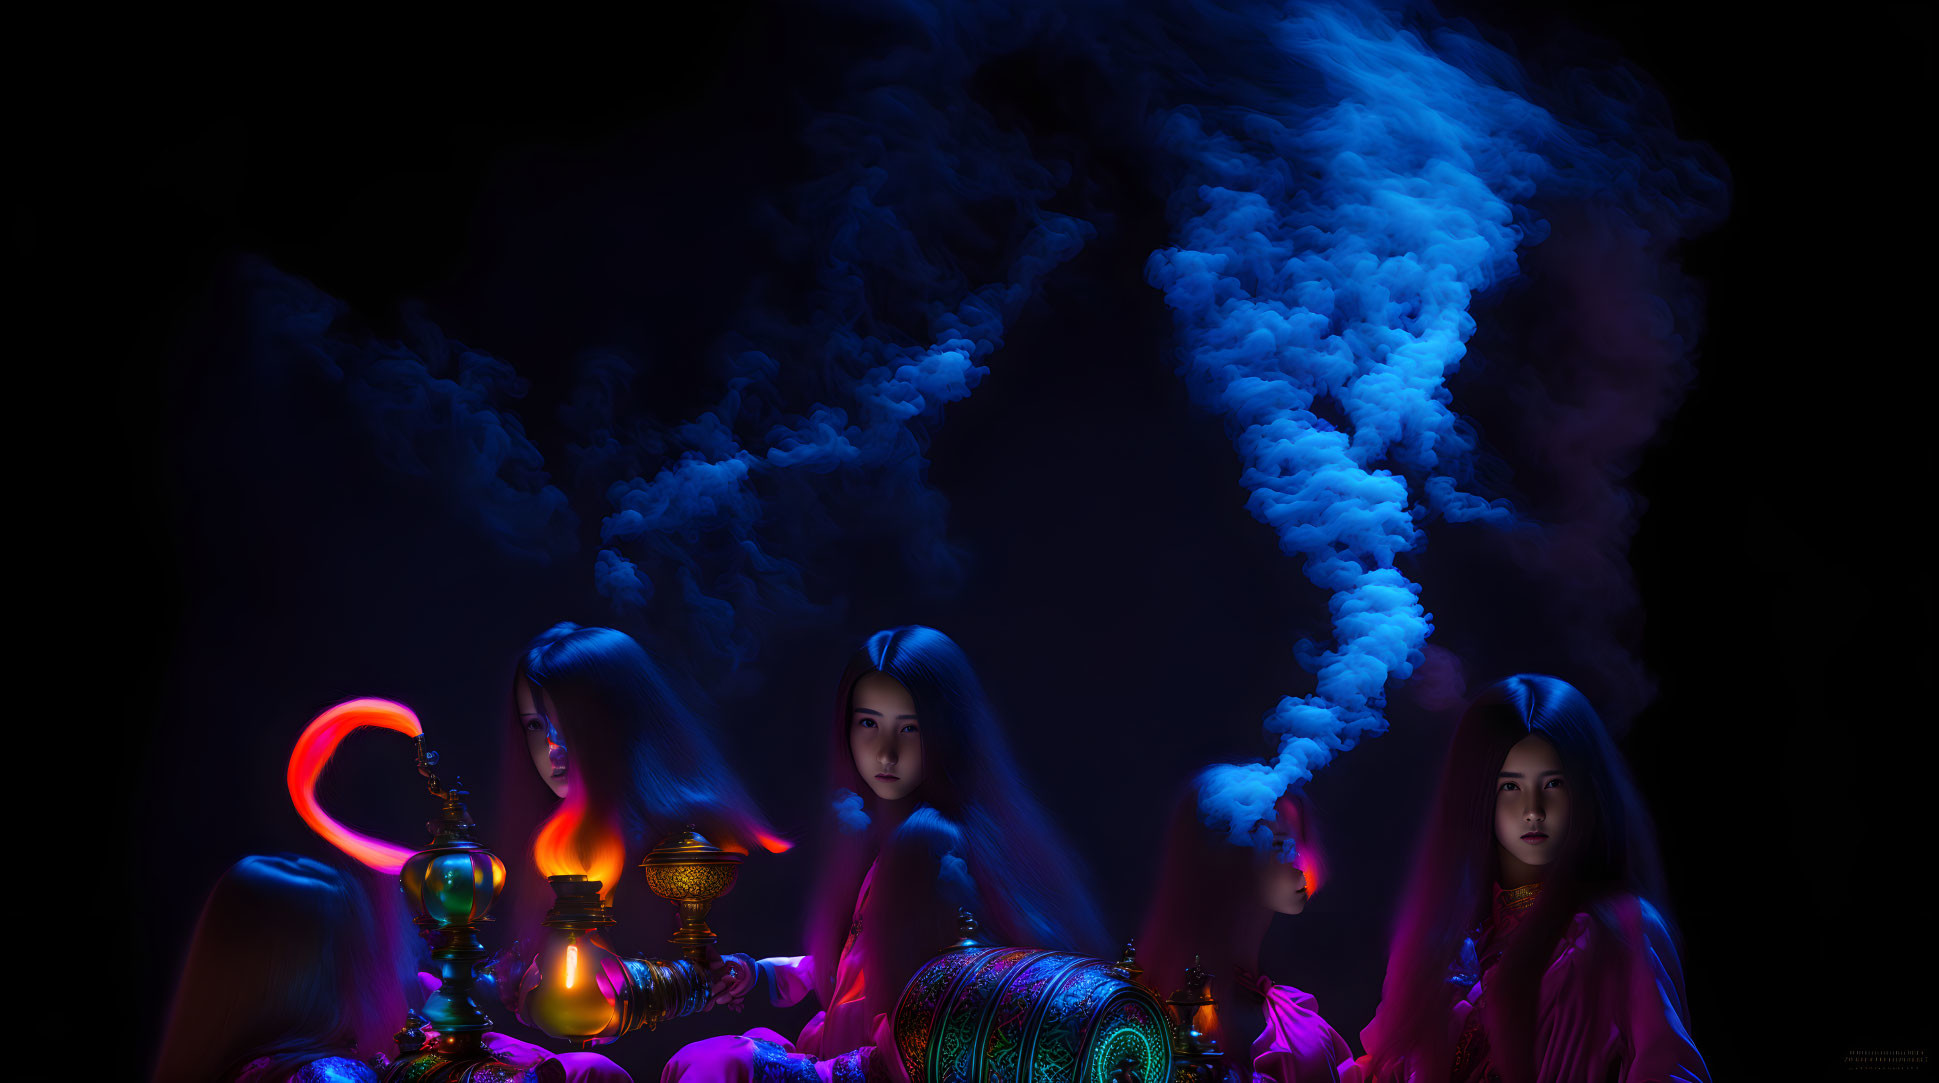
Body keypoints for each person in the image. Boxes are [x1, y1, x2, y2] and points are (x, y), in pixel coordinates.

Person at [666, 625, 1111, 1083]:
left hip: (888, 1066)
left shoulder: (927, 844)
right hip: (855, 1053)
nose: (886, 753)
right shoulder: (886, 839)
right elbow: (857, 962)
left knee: (716, 1063)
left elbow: (925, 1025)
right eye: (868, 724)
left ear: (944, 731)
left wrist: (801, 1071)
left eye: (909, 728)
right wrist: (758, 974)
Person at [1353, 674, 1707, 1083]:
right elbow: (1380, 1065)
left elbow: (1668, 1070)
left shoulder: (1621, 930)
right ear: (1479, 793)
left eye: (1552, 784)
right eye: (1510, 787)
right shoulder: (1442, 949)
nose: (1533, 809)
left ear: (1585, 789)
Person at [497, 622, 789, 944]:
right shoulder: (551, 848)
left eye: (569, 720)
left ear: (621, 718)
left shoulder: (702, 840)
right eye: (536, 725)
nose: (553, 746)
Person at [1138, 768, 1355, 1083]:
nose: (1300, 861)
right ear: (1230, 858)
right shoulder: (1172, 1017)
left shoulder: (1281, 1010)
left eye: (1298, 840)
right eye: (1281, 844)